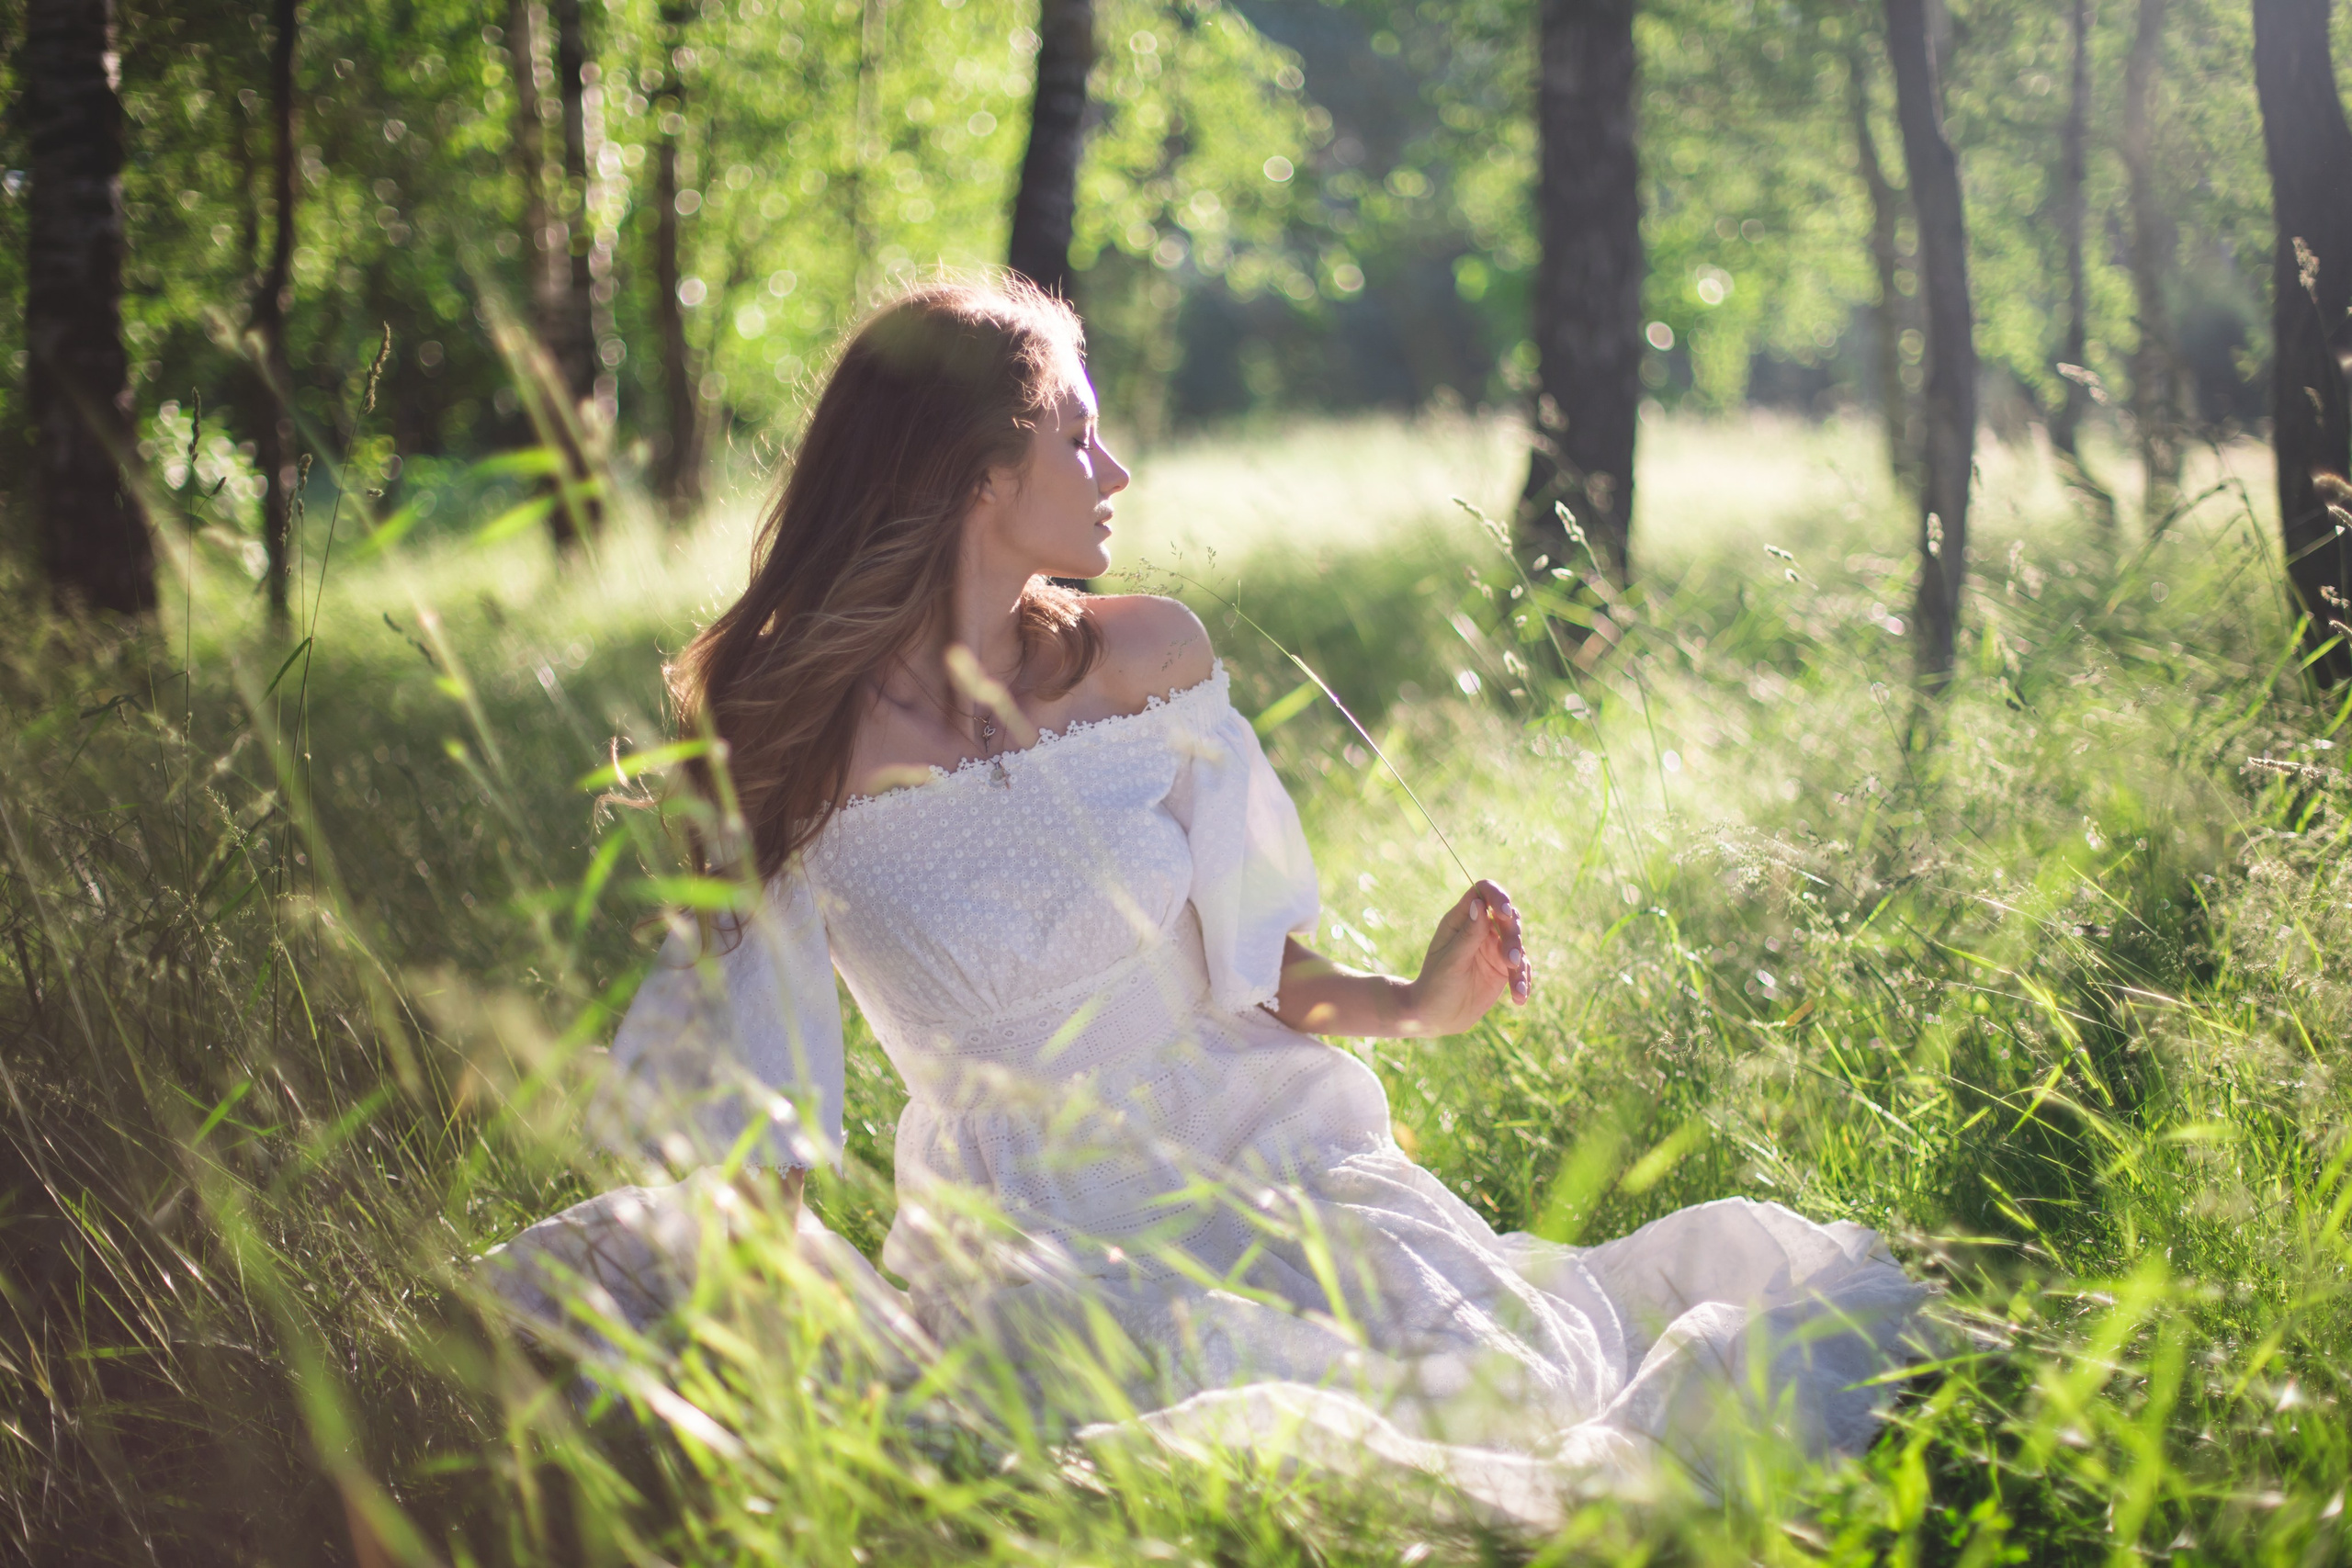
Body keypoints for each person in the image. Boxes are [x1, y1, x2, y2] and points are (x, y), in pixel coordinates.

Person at [484, 276, 1927, 1526]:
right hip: (1041, 1211)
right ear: (973, 473)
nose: (1114, 472)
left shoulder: (1144, 658)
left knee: (1517, 1390)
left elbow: (1260, 970)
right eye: (1076, 435)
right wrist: (757, 1286)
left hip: (1266, 1136)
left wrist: (1421, 1003)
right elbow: (761, 1097)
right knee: (1191, 1426)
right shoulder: (789, 734)